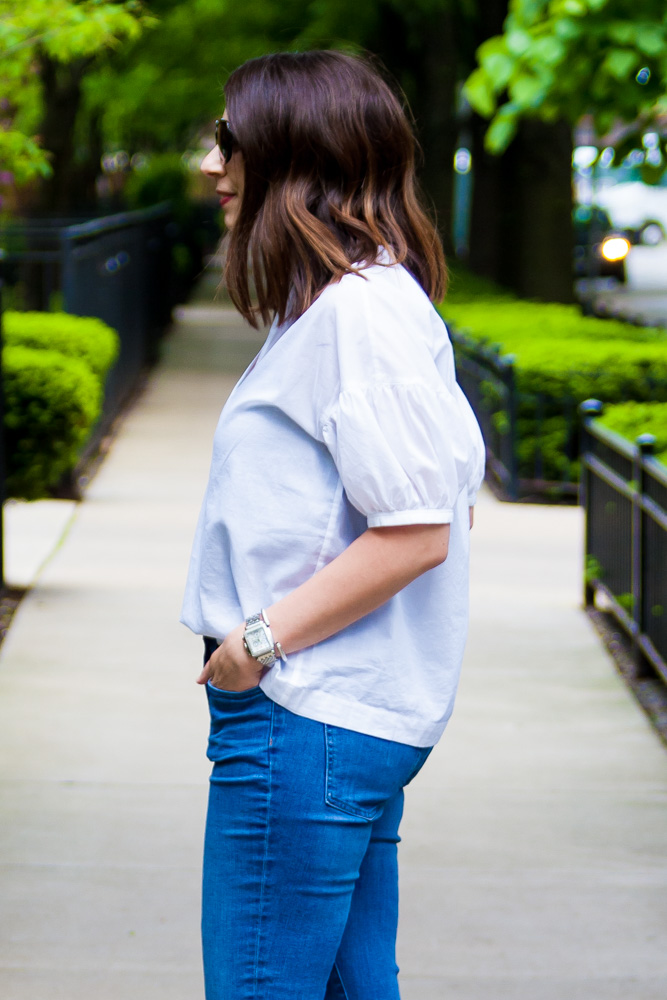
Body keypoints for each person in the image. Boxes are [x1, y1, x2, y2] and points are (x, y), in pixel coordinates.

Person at [180, 49, 485, 1000]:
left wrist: (254, 647)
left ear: (292, 153)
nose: (210, 164)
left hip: (303, 715)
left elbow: (414, 530)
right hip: (326, 715)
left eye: (229, 139)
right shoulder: (347, 307)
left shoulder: (356, 315)